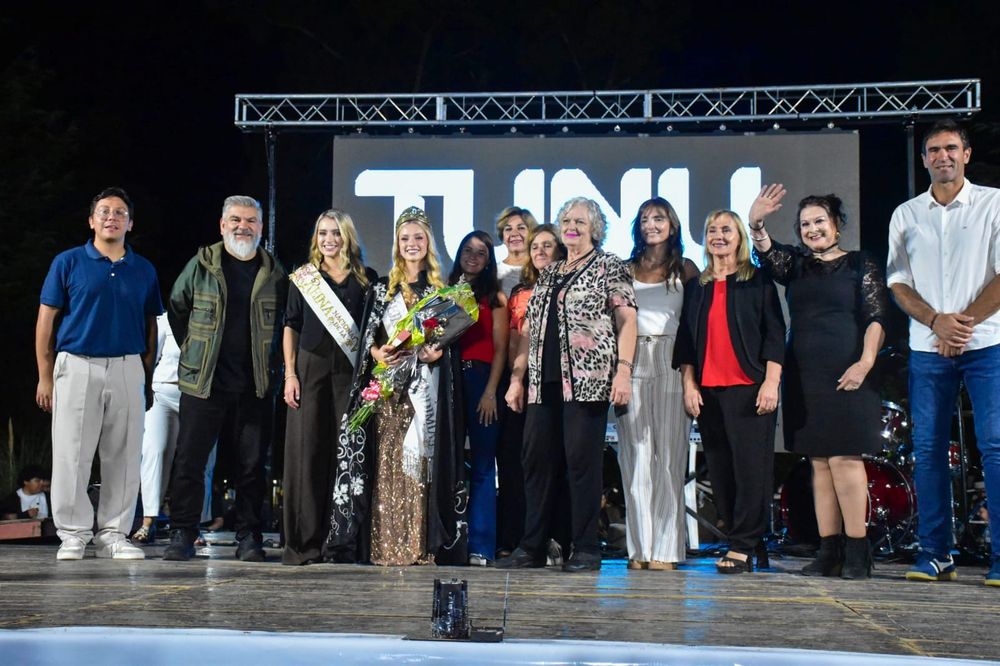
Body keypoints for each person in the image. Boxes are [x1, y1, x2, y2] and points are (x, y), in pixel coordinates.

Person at [749, 187, 888, 579]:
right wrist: (756, 223)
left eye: (819, 222)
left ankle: (858, 551)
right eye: (805, 224)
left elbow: (876, 316)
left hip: (849, 369)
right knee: (819, 463)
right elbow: (768, 255)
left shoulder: (861, 264)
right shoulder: (796, 264)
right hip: (804, 373)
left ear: (837, 226)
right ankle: (829, 551)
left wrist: (865, 362)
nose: (812, 229)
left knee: (845, 459)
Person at [886, 119, 1000, 587]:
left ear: (966, 154)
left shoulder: (994, 203)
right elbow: (897, 282)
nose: (942, 157)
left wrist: (960, 325)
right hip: (928, 346)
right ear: (924, 158)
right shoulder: (906, 214)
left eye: (951, 148)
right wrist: (937, 322)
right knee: (928, 450)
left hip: (986, 343)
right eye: (934, 150)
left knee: (994, 447)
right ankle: (935, 554)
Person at [498, 197, 637, 573]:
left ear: (594, 226)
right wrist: (516, 378)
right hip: (543, 384)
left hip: (587, 381)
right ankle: (533, 546)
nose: (571, 226)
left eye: (579, 220)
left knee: (581, 463)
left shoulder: (610, 265)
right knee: (536, 462)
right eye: (566, 220)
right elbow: (528, 331)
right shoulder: (550, 272)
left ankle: (587, 547)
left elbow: (626, 321)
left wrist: (623, 371)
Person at [325, 206, 467, 566]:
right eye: (405, 239)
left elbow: (450, 347)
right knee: (389, 467)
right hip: (390, 394)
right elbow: (367, 342)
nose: (412, 244)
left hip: (425, 393)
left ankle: (420, 546)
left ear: (428, 243)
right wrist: (378, 352)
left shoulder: (443, 293)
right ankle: (387, 546)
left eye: (418, 238)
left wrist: (438, 355)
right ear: (397, 245)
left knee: (420, 467)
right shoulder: (381, 291)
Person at [35, 186, 161, 560]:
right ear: (92, 220)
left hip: (127, 365)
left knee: (123, 454)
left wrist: (147, 374)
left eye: (119, 212)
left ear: (130, 223)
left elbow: (151, 324)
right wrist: (44, 376)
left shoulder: (143, 269)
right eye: (104, 211)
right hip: (76, 364)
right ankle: (73, 532)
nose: (112, 217)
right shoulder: (68, 262)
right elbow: (46, 320)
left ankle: (114, 533)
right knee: (72, 451)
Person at [163, 195, 287, 562]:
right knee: (189, 461)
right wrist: (196, 351)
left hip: (255, 385)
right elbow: (176, 307)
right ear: (222, 225)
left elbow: (285, 325)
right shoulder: (202, 265)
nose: (242, 226)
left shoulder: (275, 272)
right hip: (205, 384)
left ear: (261, 227)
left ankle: (250, 536)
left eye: (250, 221)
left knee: (251, 467)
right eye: (235, 220)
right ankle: (182, 533)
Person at [673, 209, 785, 574]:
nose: (718, 236)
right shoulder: (698, 286)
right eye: (711, 230)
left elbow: (774, 333)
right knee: (721, 473)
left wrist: (771, 383)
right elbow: (686, 344)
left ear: (740, 237)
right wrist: (689, 386)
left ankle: (742, 545)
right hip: (709, 393)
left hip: (750, 390)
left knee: (751, 471)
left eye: (726, 230)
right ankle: (747, 543)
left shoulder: (757, 280)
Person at [281, 210, 376, 565]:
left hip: (350, 375)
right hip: (310, 368)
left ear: (347, 236)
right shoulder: (304, 279)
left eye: (335, 232)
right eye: (322, 233)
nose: (329, 239)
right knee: (307, 452)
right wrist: (290, 374)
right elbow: (290, 326)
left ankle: (341, 541)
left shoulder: (366, 281)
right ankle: (304, 543)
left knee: (347, 455)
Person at [617, 198, 699, 571]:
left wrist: (690, 378)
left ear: (673, 224)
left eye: (659, 217)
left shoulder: (686, 268)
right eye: (646, 218)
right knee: (634, 460)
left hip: (670, 359)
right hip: (630, 361)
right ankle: (639, 549)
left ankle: (665, 550)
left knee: (668, 458)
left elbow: (695, 326)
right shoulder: (623, 268)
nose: (652, 224)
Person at [497, 224, 565, 559]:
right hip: (524, 386)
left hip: (561, 386)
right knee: (523, 464)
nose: (539, 251)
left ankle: (557, 538)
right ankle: (522, 538)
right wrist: (516, 380)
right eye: (535, 245)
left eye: (547, 245)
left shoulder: (569, 288)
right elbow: (515, 340)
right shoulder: (520, 293)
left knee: (559, 463)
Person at [134, 313, 222, 544]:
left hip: (201, 396)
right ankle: (148, 521)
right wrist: (146, 388)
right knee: (155, 453)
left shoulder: (218, 318)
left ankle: (194, 525)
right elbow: (152, 356)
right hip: (163, 392)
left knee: (201, 460)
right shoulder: (165, 320)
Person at [449, 231, 508, 565]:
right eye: (467, 250)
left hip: (483, 380)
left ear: (489, 260)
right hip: (451, 381)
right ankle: (451, 542)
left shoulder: (494, 296)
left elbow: (501, 349)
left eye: (481, 252)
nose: (473, 256)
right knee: (452, 462)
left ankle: (481, 546)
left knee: (484, 465)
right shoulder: (445, 291)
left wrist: (490, 392)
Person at [494, 207, 539, 296]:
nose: (514, 234)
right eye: (508, 229)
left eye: (521, 228)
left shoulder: (541, 270)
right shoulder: (493, 272)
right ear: (502, 236)